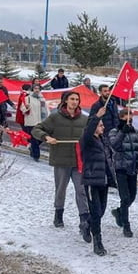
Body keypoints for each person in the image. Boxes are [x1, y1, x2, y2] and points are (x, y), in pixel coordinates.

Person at [31, 90, 90, 230]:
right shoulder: (55, 117)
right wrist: (46, 137)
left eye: (77, 99)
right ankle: (58, 214)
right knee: (60, 189)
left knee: (81, 190)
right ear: (65, 101)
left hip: (78, 162)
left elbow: (92, 134)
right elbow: (36, 129)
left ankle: (84, 217)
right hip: (61, 161)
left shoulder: (84, 119)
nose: (74, 102)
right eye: (72, 99)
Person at [109, 106, 138, 238]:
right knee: (125, 198)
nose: (129, 118)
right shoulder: (114, 131)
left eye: (131, 116)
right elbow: (114, 146)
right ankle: (126, 225)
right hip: (121, 168)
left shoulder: (136, 132)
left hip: (133, 168)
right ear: (121, 118)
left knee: (132, 196)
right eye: (127, 116)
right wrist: (122, 133)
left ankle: (119, 212)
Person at [78, 115, 112, 256]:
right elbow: (89, 129)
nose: (103, 127)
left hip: (103, 180)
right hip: (91, 179)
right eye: (100, 125)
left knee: (102, 210)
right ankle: (98, 242)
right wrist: (97, 116)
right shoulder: (87, 139)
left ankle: (86, 224)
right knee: (96, 211)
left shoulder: (103, 140)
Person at [19, 83, 46, 161]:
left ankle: (32, 147)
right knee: (34, 138)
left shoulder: (42, 99)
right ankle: (36, 155)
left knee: (41, 137)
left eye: (38, 88)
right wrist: (26, 108)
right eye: (35, 88)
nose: (37, 90)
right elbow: (22, 108)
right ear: (32, 89)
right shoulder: (28, 98)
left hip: (40, 121)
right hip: (31, 120)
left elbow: (45, 110)